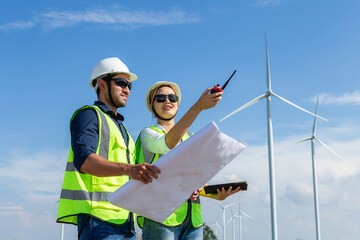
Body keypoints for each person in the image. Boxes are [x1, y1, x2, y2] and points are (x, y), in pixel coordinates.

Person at [57, 57, 160, 240]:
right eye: (121, 83)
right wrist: (130, 169)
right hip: (99, 220)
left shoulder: (124, 131)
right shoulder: (89, 115)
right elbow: (84, 161)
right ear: (102, 84)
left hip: (125, 221)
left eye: (129, 85)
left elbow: (132, 176)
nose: (127, 89)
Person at [135, 81, 242, 240]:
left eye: (172, 97)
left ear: (177, 103)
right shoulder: (148, 134)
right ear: (152, 104)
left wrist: (216, 195)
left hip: (193, 222)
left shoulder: (189, 138)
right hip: (161, 218)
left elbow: (194, 181)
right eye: (160, 98)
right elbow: (167, 144)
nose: (167, 101)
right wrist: (198, 106)